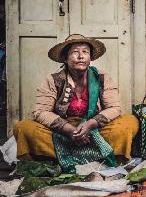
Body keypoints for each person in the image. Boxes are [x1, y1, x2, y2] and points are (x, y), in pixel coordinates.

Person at [14, 34, 139, 173]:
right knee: (23, 128)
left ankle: (71, 157)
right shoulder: (53, 80)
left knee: (129, 122)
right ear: (65, 58)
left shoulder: (102, 78)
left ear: (90, 58)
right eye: (75, 52)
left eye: (85, 52)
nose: (81, 56)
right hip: (62, 133)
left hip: (94, 131)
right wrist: (69, 130)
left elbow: (114, 108)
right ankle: (91, 157)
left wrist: (91, 124)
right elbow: (40, 112)